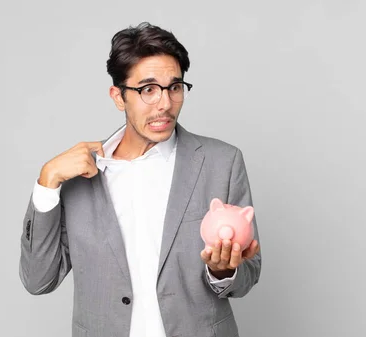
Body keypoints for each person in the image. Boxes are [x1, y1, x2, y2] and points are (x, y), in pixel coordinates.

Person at [19, 22, 261, 337]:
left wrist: (223, 271)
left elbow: (250, 272)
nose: (164, 103)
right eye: (147, 89)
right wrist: (46, 183)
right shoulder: (79, 176)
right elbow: (39, 280)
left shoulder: (222, 162)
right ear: (118, 97)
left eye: (174, 87)